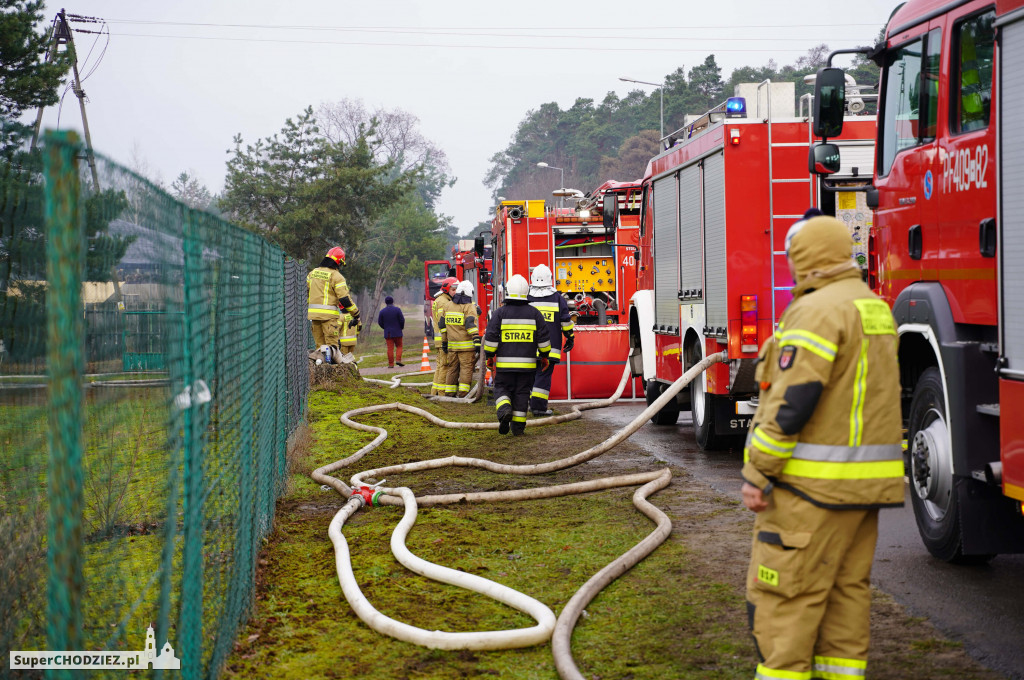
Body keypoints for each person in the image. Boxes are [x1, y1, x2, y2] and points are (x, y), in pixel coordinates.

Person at [740, 215, 904, 680]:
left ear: (805, 257)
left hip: (810, 491)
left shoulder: (815, 311)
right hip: (862, 492)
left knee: (784, 600)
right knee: (845, 596)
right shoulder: (872, 306)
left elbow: (794, 400)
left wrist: (759, 472)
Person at [483, 274, 551, 435]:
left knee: (501, 389)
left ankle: (504, 410)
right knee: (522, 394)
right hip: (527, 367)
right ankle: (518, 429)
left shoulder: (499, 313)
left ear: (508, 291)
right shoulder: (535, 314)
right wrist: (545, 356)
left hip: (505, 367)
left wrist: (489, 356)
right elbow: (544, 339)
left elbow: (491, 337)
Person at [526, 264, 574, 416]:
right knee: (543, 377)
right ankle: (539, 408)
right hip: (550, 348)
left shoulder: (527, 297)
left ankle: (529, 404)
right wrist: (570, 337)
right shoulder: (557, 298)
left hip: (528, 347)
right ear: (551, 279)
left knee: (530, 376)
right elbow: (565, 321)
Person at [307, 247, 359, 361]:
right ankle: (333, 374)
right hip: (329, 318)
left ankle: (321, 369)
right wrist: (356, 314)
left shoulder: (312, 273)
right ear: (338, 262)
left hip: (314, 317)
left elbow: (306, 292)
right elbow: (345, 299)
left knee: (320, 349)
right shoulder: (336, 276)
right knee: (332, 349)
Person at [440, 280, 481, 397]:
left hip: (452, 346)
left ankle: (449, 393)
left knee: (452, 369)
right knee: (466, 369)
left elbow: (442, 326)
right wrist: (477, 340)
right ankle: (463, 394)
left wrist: (444, 342)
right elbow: (469, 324)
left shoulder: (447, 306)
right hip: (466, 347)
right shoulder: (469, 307)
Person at [430, 277, 458, 395]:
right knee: (445, 366)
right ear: (447, 289)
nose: (455, 292)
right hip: (443, 340)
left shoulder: (441, 299)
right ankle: (441, 393)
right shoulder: (443, 302)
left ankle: (434, 391)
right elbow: (444, 323)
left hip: (439, 340)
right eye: (453, 289)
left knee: (440, 365)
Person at [377, 295, 406, 368]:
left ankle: (391, 364)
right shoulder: (397, 310)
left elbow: (380, 322)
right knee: (399, 346)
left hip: (388, 333)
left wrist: (385, 328)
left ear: (385, 302)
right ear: (393, 302)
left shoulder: (382, 311)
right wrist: (401, 327)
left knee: (390, 348)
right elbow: (402, 320)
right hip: (398, 332)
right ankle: (398, 360)